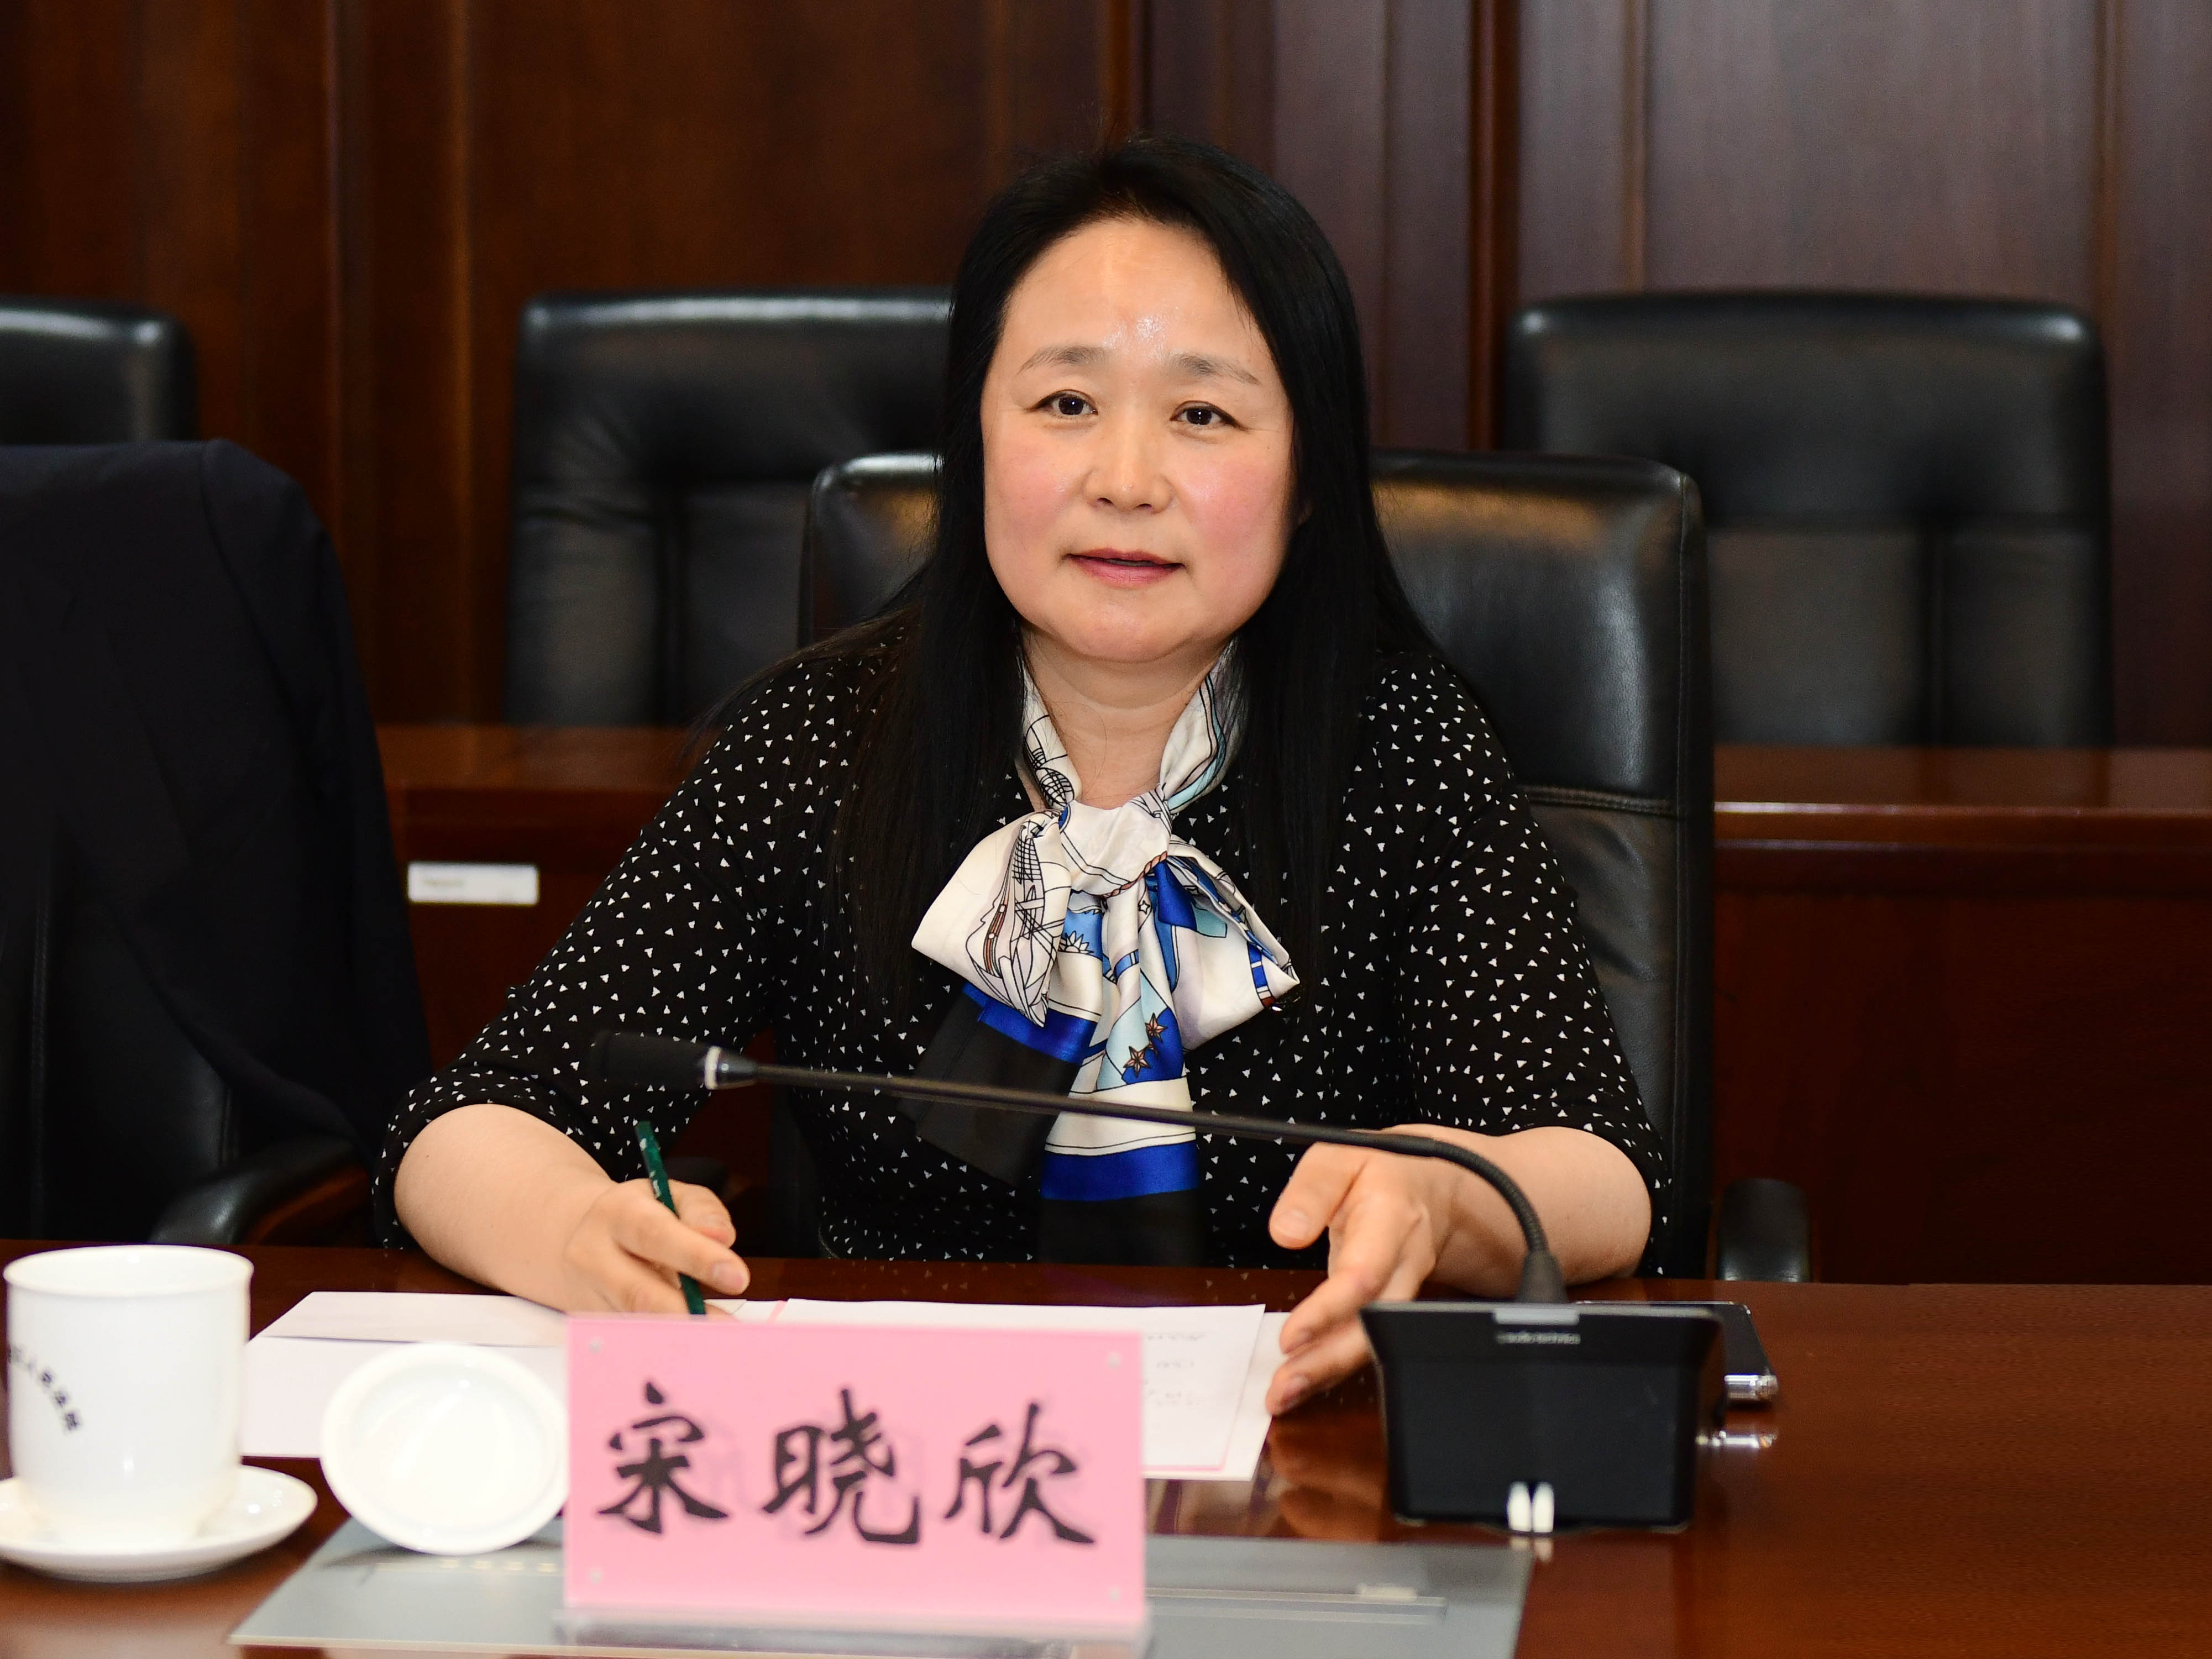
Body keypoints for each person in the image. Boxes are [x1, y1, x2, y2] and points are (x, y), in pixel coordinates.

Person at [385, 136, 1665, 1414]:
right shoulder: (820, 738)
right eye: (1066, 404)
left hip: (1293, 1445)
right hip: (897, 1459)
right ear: (975, 438)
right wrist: (575, 1232)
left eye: (1203, 415)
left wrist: (1446, 1197)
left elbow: (1606, 1175)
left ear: (1310, 478)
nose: (1125, 481)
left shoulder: (1401, 748)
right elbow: (467, 1127)